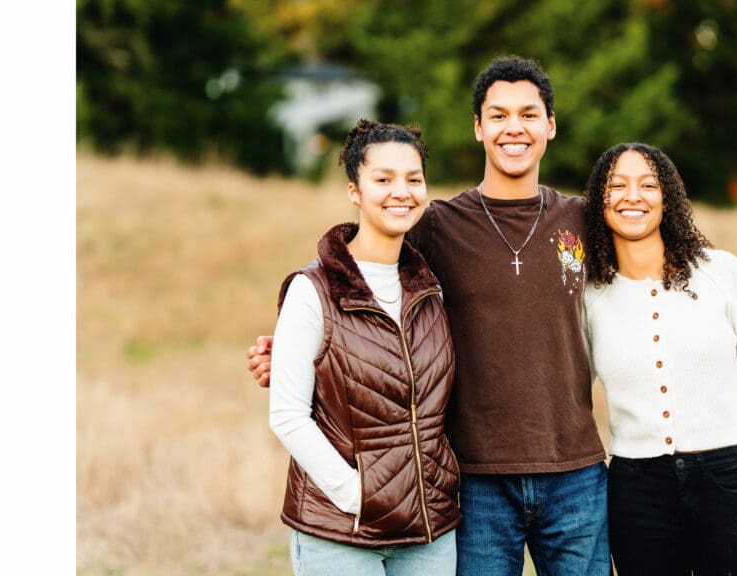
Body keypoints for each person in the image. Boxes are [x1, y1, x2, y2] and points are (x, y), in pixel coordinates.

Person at [250, 56, 610, 576]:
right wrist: (290, 346)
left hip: (575, 471)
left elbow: (642, 295)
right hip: (474, 478)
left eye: (529, 115)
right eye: (499, 114)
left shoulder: (581, 220)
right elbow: (356, 281)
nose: (515, 128)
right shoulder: (436, 224)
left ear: (551, 126)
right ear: (478, 127)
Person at [581, 142, 737, 575]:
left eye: (648, 184)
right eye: (617, 185)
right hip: (637, 488)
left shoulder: (723, 273)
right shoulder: (591, 296)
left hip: (730, 478)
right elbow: (573, 397)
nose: (633, 196)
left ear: (668, 198)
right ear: (599, 202)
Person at [268, 119, 460, 575]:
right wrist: (357, 495)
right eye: (383, 179)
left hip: (428, 532)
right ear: (354, 191)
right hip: (341, 531)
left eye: (414, 179)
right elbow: (288, 415)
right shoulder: (312, 289)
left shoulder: (431, 289)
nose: (402, 191)